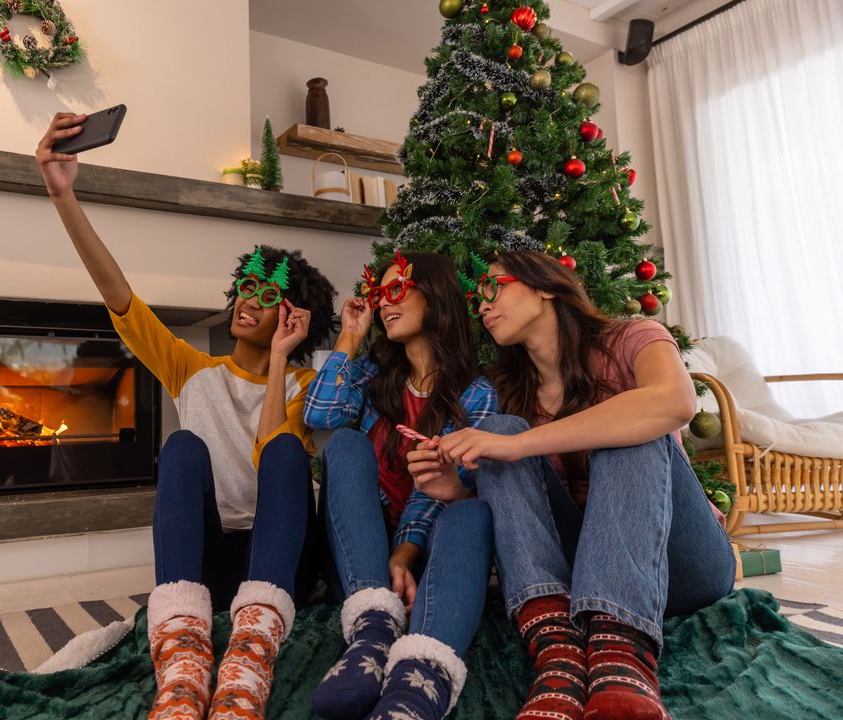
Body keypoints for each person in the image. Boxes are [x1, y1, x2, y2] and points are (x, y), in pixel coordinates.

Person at [36, 112, 336, 720]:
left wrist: (280, 362)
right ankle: (181, 649)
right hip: (210, 561)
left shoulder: (309, 382)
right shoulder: (191, 369)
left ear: (295, 319)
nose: (250, 300)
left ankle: (254, 649)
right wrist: (63, 194)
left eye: (269, 296)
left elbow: (269, 449)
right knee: (181, 447)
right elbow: (117, 292)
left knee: (284, 451)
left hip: (278, 567)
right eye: (246, 287)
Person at [409, 250, 735, 720]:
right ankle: (556, 648)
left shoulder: (633, 336)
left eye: (492, 287)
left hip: (681, 562)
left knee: (628, 422)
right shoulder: (506, 387)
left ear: (544, 285)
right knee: (500, 430)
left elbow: (675, 402)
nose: (481, 306)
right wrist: (455, 490)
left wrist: (521, 446)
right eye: (476, 299)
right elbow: (522, 515)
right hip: (580, 570)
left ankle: (622, 656)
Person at [304, 251, 497, 720]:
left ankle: (415, 679)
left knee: (470, 510)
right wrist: (350, 335)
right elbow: (319, 413)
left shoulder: (478, 394)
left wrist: (406, 549)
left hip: (425, 558)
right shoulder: (372, 379)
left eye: (395, 291)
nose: (384, 304)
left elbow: (437, 486)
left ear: (434, 296)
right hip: (357, 557)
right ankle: (373, 630)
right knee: (346, 445)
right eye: (378, 294)